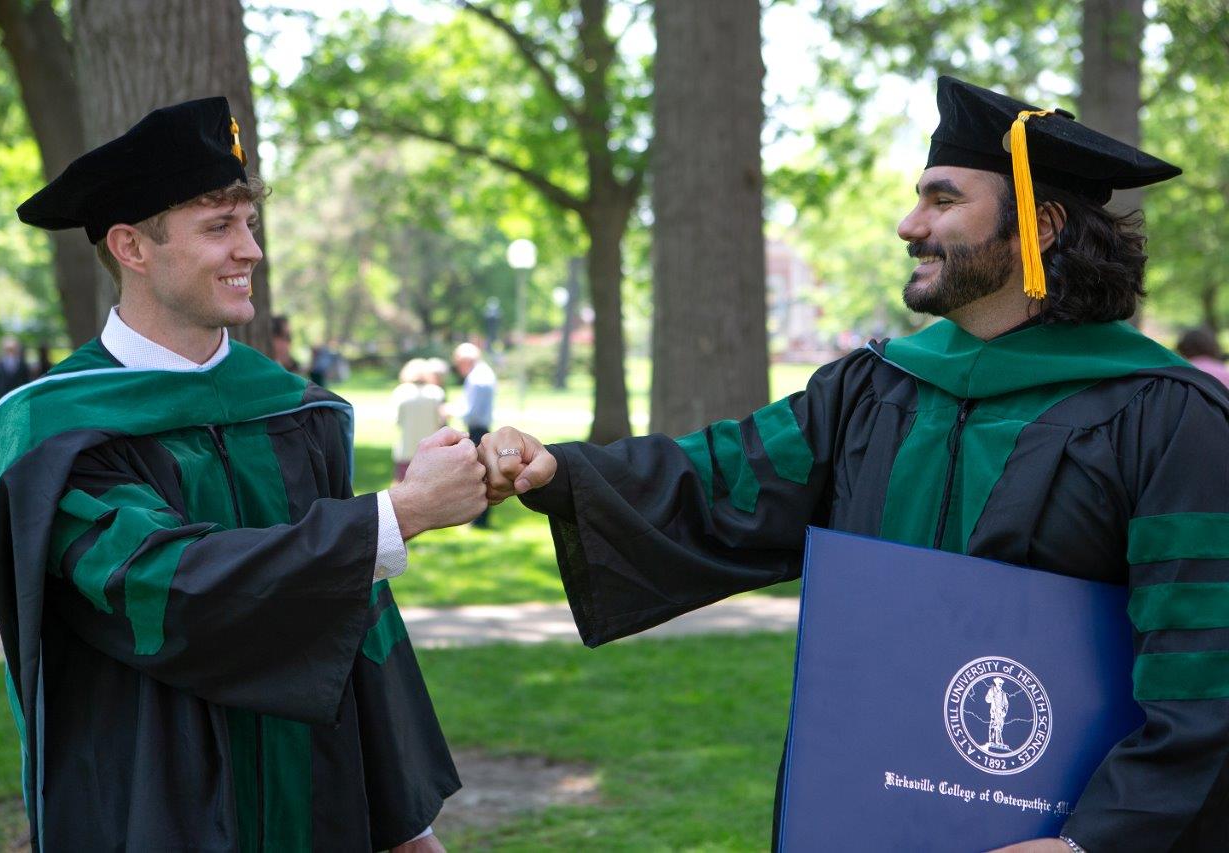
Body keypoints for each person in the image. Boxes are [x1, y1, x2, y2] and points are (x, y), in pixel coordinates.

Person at [480, 77, 1229, 852]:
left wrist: (1092, 843)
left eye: (942, 201)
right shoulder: (875, 389)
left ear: (1039, 225)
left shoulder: (1164, 417)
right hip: (871, 810)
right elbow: (727, 475)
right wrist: (559, 471)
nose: (910, 225)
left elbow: (1208, 669)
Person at [0, 96, 488, 851]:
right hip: (154, 804)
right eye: (218, 226)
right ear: (131, 246)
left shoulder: (295, 410)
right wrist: (395, 516)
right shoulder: (56, 434)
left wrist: (403, 820)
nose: (250, 250)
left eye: (249, 224)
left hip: (312, 801)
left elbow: (357, 619)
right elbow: (164, 584)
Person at [452, 342, 496, 527]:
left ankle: (479, 519)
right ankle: (479, 519)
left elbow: (472, 412)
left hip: (478, 429)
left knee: (479, 475)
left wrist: (451, 410)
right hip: (480, 428)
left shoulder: (477, 378)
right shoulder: (482, 373)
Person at [393, 358, 447, 483]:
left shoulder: (401, 392)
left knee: (402, 485)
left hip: (406, 448)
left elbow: (397, 420)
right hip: (430, 450)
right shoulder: (436, 392)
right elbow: (441, 421)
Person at [0, 335, 33, 400]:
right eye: (8, 349)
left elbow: (26, 380)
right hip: (2, 396)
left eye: (12, 349)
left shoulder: (23, 365)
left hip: (18, 396)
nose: (10, 351)